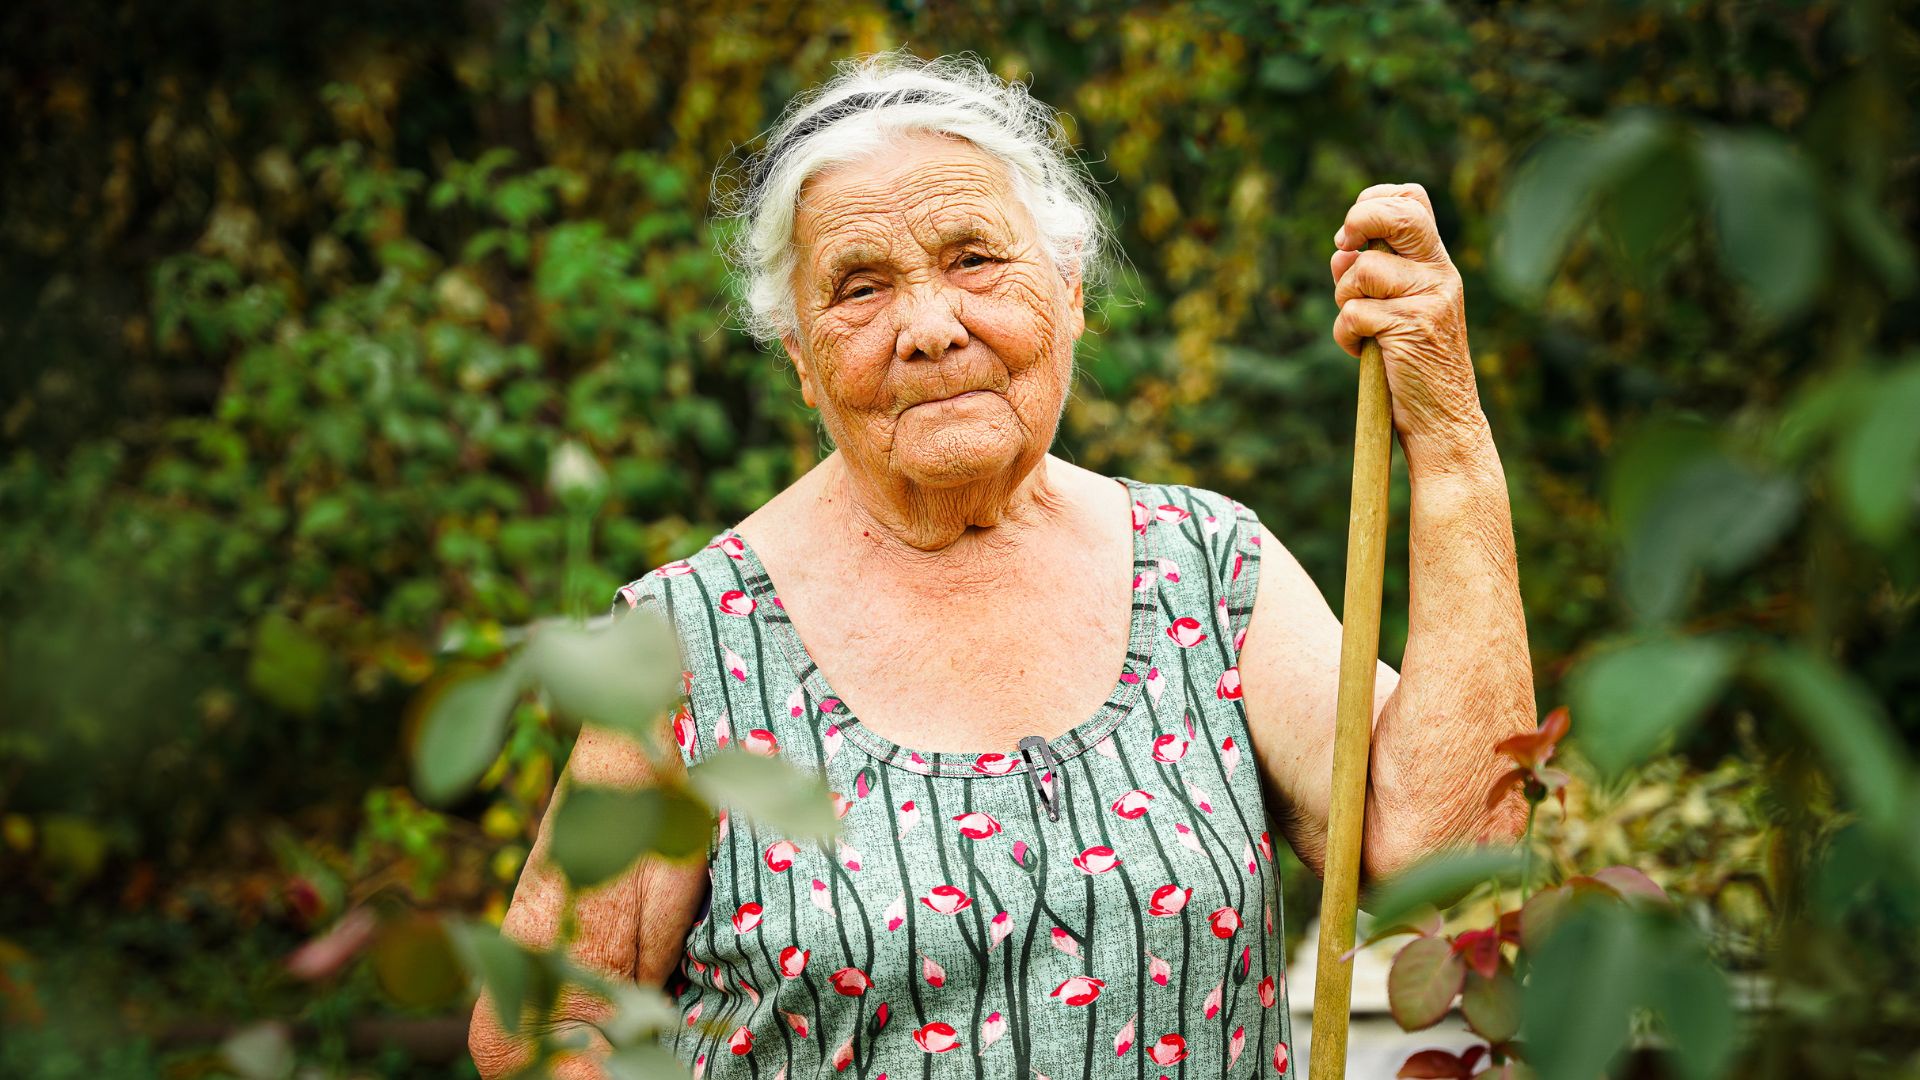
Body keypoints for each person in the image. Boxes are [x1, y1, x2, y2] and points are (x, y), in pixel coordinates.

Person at [470, 47, 1535, 1079]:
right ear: (800, 356)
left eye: (974, 259)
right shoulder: (689, 645)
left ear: (1069, 290)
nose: (930, 327)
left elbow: (1457, 841)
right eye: (859, 287)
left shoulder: (1205, 574)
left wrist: (1445, 438)